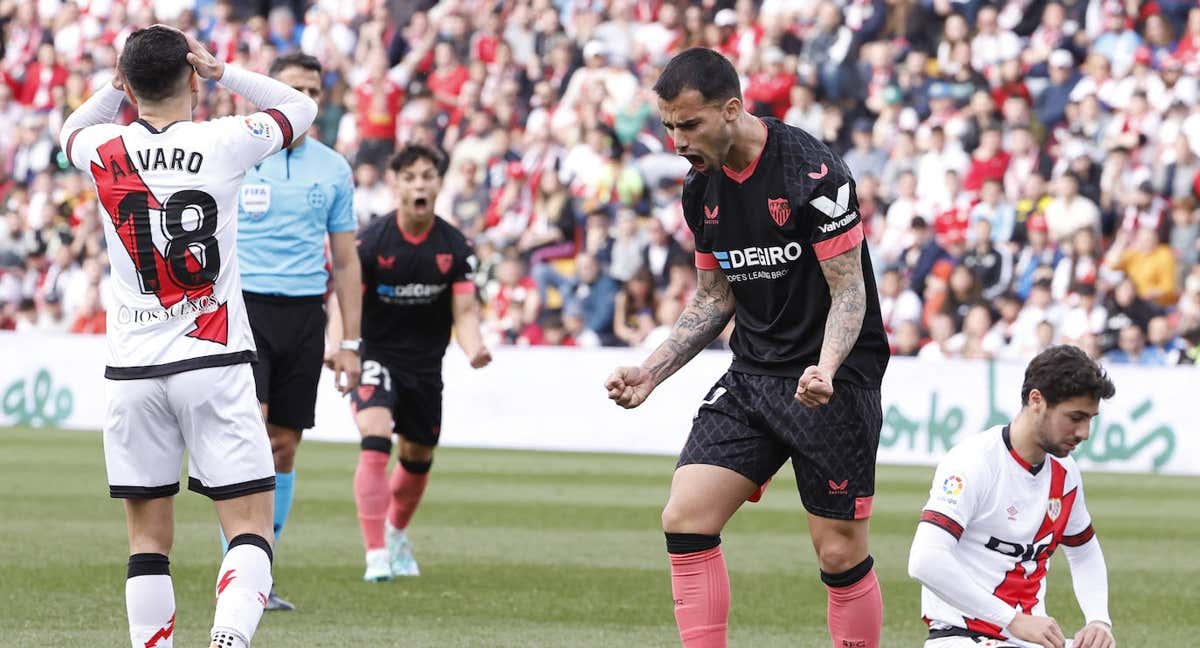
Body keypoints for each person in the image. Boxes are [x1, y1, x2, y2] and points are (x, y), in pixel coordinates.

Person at [604, 48, 890, 648]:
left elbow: (849, 292)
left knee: (839, 552)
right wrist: (651, 372)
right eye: (668, 127)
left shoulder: (813, 174)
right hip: (754, 374)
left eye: (689, 124)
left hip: (830, 383)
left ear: (731, 110)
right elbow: (714, 297)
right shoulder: (698, 191)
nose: (677, 140)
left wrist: (827, 368)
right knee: (685, 516)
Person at [58, 26, 316, 648]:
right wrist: (224, 69)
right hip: (214, 357)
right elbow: (300, 108)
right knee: (250, 527)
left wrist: (119, 79)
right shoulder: (225, 140)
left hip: (132, 371)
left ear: (125, 83)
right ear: (192, 78)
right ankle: (229, 635)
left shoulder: (101, 146)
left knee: (147, 542)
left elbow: (69, 126)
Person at [234, 52, 362, 611]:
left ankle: (259, 572)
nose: (302, 99)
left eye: (311, 90)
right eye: (291, 89)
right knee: (251, 438)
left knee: (284, 446)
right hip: (241, 309)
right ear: (264, 94)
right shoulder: (233, 154)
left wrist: (351, 342)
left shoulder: (333, 168)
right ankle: (238, 570)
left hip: (305, 314)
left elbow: (347, 262)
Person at [346, 144, 492, 581]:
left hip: (425, 367)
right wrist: (344, 347)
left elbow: (464, 313)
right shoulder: (371, 241)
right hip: (376, 355)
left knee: (417, 456)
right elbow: (346, 300)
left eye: (427, 176)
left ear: (438, 183)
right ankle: (375, 556)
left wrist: (474, 348)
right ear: (395, 184)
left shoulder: (455, 245)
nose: (419, 184)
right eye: (410, 177)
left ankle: (394, 533)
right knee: (375, 438)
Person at [908, 345, 1116, 648]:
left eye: (1090, 419)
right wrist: (1013, 620)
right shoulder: (974, 462)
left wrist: (1098, 620)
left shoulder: (1065, 472)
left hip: (1028, 641)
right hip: (962, 637)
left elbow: (1084, 551)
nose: (1084, 432)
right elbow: (924, 560)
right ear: (1036, 400)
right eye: (1075, 417)